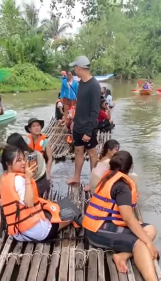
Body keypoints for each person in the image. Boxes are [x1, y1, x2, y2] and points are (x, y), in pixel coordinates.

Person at [82, 151, 161, 281]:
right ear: (131, 167)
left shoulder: (109, 176)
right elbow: (128, 218)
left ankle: (122, 256)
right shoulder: (121, 186)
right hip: (96, 230)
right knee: (141, 243)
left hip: (106, 222)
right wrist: (148, 243)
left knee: (150, 229)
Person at [0, 145, 73, 241]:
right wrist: (28, 178)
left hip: (17, 233)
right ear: (8, 164)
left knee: (52, 207)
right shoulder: (20, 177)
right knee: (71, 212)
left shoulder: (5, 178)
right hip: (37, 233)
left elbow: (5, 205)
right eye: (19, 160)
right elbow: (29, 203)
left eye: (23, 159)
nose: (24, 162)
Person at [0, 133, 51, 199]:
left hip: (38, 185)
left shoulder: (31, 156)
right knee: (6, 175)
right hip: (36, 181)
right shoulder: (28, 152)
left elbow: (32, 173)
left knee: (6, 177)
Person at [66, 55, 101, 191]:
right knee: (78, 150)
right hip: (78, 125)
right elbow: (80, 105)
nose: (74, 70)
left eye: (75, 67)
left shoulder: (94, 85)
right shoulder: (81, 83)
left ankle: (93, 182)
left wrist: (88, 131)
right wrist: (74, 121)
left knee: (92, 153)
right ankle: (76, 177)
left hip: (88, 127)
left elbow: (94, 111)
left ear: (79, 68)